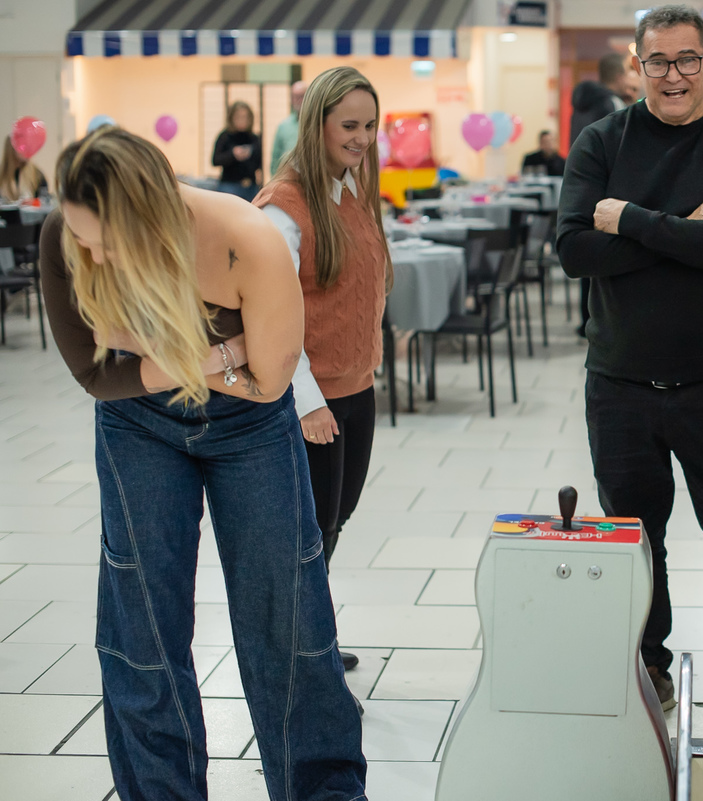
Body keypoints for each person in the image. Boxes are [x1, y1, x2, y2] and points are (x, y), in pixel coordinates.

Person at [42, 126, 366, 799]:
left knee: (287, 616)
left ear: (153, 223)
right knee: (142, 625)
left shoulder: (245, 238)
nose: (89, 252)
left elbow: (272, 382)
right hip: (136, 422)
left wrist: (150, 350)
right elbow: (96, 373)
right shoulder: (66, 234)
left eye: (106, 241)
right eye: (79, 236)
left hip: (250, 426)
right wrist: (221, 352)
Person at [557, 3, 703, 715]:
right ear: (637, 64)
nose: (673, 75)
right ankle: (651, 667)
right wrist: (686, 227)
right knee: (634, 539)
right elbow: (572, 249)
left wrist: (627, 218)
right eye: (658, 61)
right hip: (619, 382)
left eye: (687, 59)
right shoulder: (600, 141)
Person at [256, 66, 393, 674]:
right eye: (349, 126)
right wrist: (307, 401)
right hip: (309, 399)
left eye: (370, 125)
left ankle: (312, 637)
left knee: (334, 522)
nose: (362, 138)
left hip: (355, 389)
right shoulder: (283, 208)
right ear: (316, 126)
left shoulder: (350, 190)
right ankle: (298, 653)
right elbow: (272, 318)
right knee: (308, 534)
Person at [569, 51, 631, 336]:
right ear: (619, 75)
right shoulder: (611, 104)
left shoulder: (580, 106)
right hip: (608, 192)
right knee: (606, 260)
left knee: (586, 253)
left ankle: (585, 320)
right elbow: (623, 151)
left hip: (581, 187)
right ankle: (598, 321)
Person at [212, 100, 263, 202]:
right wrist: (233, 154)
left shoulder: (254, 138)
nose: (242, 120)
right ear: (232, 118)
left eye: (245, 117)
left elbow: (259, 165)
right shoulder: (225, 136)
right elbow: (215, 160)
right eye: (238, 117)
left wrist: (248, 155)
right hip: (229, 185)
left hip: (250, 185)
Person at [271, 80, 309, 176]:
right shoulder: (284, 126)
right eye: (295, 96)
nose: (299, 100)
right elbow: (276, 158)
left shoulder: (320, 123)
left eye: (302, 96)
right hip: (288, 178)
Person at [0, 134, 48, 202]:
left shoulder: (37, 174)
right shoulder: (2, 174)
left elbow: (45, 200)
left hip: (30, 212)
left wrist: (34, 202)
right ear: (11, 149)